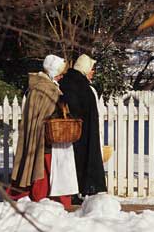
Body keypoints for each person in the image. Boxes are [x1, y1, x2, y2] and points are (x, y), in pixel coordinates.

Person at [8, 54, 78, 209]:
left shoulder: (47, 86)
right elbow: (46, 113)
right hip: (46, 136)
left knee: (47, 167)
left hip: (48, 136)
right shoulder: (44, 88)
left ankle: (47, 198)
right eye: (59, 73)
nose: (61, 76)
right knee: (44, 168)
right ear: (53, 72)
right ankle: (43, 198)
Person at [59, 54, 107, 199]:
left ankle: (80, 190)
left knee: (78, 160)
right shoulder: (76, 83)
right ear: (85, 68)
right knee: (78, 161)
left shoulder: (75, 82)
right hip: (79, 131)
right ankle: (79, 190)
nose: (93, 72)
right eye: (92, 69)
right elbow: (73, 106)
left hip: (81, 130)